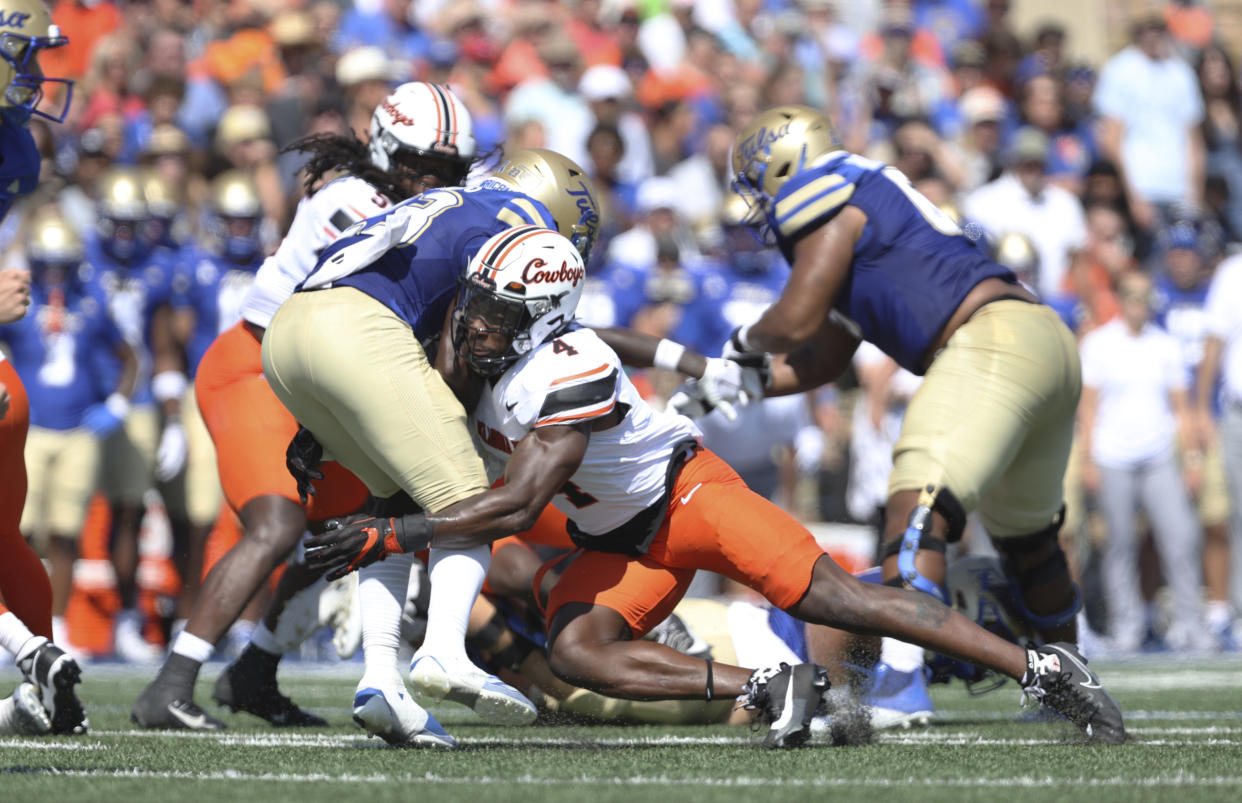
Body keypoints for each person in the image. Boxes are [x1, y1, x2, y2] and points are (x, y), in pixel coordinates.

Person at [301, 226, 1127, 748]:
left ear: (542, 322)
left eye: (498, 316)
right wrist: (323, 431)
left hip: (690, 497)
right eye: (475, 306)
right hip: (621, 538)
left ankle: (1043, 666)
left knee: (838, 599)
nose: (475, 325)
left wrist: (393, 536)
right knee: (577, 651)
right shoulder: (481, 339)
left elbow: (517, 503)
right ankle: (772, 687)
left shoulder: (562, 371)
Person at [131, 82, 476, 736]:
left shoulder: (419, 208)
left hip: (322, 381)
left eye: (448, 171)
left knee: (368, 519)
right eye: (421, 166)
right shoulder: (353, 200)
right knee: (275, 525)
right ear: (387, 154)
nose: (434, 180)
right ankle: (170, 685)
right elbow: (357, 310)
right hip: (257, 368)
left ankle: (256, 670)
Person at [258, 147, 607, 748]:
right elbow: (463, 339)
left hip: (290, 332)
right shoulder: (518, 220)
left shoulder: (460, 202)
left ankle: (380, 679)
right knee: (464, 498)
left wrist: (326, 420)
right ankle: (445, 650)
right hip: (358, 330)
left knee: (392, 504)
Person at [0, 0, 86, 737]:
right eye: (25, 58)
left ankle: (31, 659)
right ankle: (38, 665)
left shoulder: (17, 148)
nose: (37, 76)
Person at [1079, 270, 1210, 652]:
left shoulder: (1165, 345)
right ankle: (1127, 626)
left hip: (1158, 455)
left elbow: (1181, 408)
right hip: (1112, 454)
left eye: (1146, 295)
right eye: (1133, 295)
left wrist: (1193, 458)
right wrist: (1087, 460)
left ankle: (1190, 624)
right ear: (1120, 299)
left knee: (1181, 537)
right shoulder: (1100, 344)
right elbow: (1088, 409)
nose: (1140, 303)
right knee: (1119, 544)